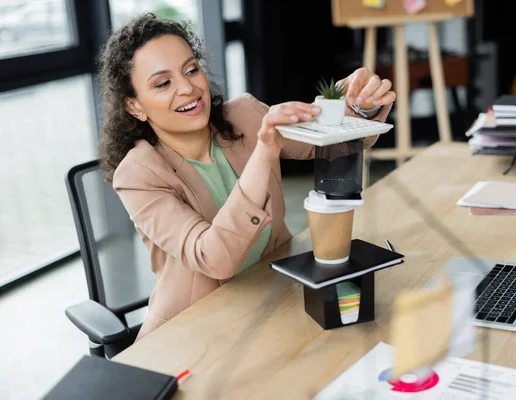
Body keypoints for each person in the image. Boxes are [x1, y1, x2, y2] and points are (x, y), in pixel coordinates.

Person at [98, 13, 396, 341]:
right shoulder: (138, 175)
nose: (187, 88)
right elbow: (214, 259)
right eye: (163, 83)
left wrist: (360, 106)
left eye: (191, 69)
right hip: (196, 327)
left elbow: (333, 144)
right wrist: (264, 152)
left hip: (276, 293)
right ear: (134, 106)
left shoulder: (244, 114)